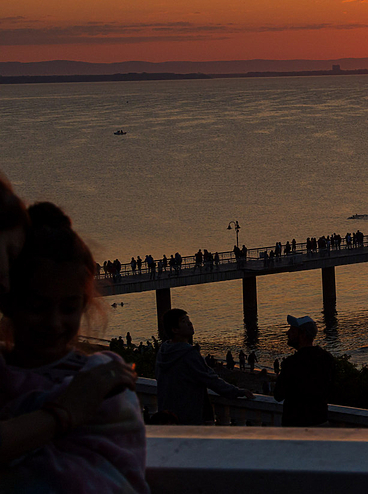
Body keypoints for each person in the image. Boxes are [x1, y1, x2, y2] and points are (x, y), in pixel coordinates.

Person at [0, 199, 147, 493]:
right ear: (8, 301)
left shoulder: (104, 377)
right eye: (38, 307)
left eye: (68, 308)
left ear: (85, 305)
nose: (54, 323)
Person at [155, 308, 252, 424]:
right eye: (184, 322)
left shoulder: (164, 351)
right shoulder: (188, 354)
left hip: (167, 414)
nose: (190, 323)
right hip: (188, 415)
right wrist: (237, 391)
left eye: (189, 320)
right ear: (175, 329)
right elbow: (210, 379)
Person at [273, 315, 335, 427]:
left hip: (295, 424)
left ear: (303, 334)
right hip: (320, 421)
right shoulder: (327, 358)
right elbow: (331, 389)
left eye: (292, 330)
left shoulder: (291, 363)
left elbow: (278, 395)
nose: (287, 333)